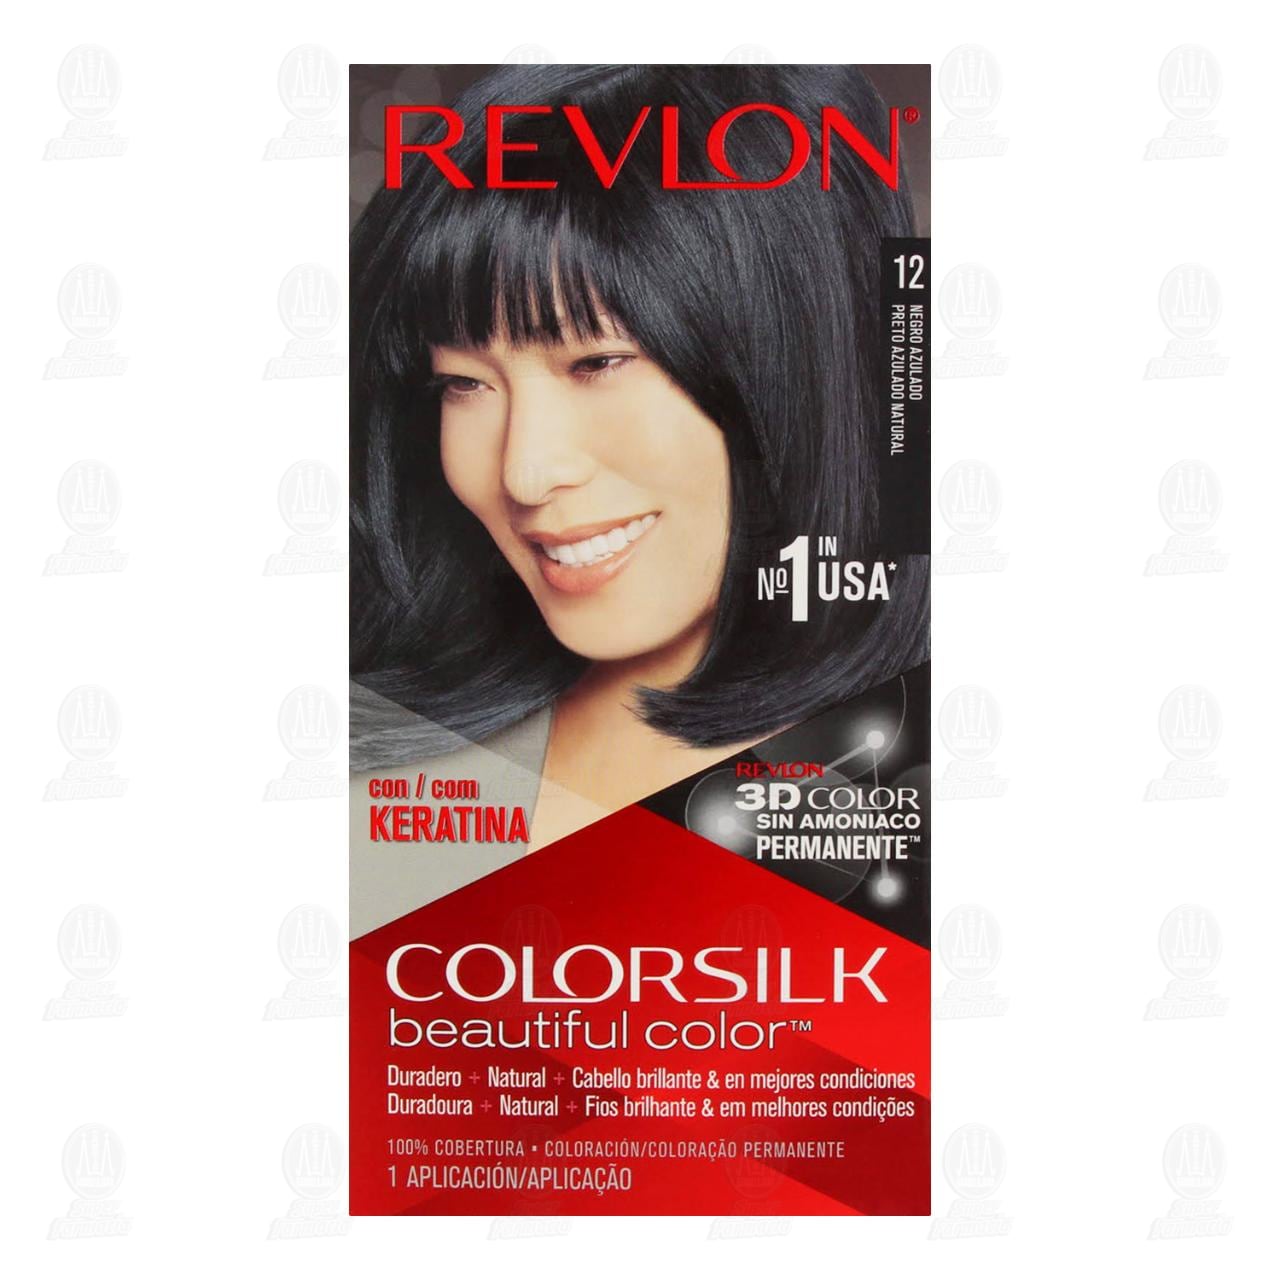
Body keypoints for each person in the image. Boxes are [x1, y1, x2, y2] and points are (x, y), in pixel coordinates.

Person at [349, 64, 929, 907]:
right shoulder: (387, 766)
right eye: (464, 383)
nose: (524, 472)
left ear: (805, 352)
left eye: (598, 362)